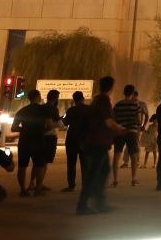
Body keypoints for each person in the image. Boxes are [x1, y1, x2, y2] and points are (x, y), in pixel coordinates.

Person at [77, 76, 130, 215]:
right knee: (94, 173)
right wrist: (121, 130)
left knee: (104, 170)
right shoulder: (104, 101)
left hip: (96, 142)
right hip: (98, 142)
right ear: (111, 87)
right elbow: (108, 122)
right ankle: (84, 205)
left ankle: (99, 201)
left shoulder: (95, 100)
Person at [11, 90, 51, 196]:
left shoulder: (22, 111)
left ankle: (23, 190)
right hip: (38, 140)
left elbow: (14, 128)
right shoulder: (43, 110)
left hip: (24, 141)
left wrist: (25, 129)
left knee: (22, 166)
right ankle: (38, 189)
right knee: (39, 165)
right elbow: (49, 125)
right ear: (38, 97)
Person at [111, 84, 143, 187]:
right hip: (132, 132)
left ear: (124, 93)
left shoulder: (118, 105)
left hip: (120, 132)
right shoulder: (136, 105)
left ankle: (115, 180)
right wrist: (138, 124)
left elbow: (114, 118)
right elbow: (138, 120)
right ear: (133, 93)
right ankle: (134, 179)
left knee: (116, 156)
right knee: (133, 156)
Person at [61, 90, 89, 192]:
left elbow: (65, 123)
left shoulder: (70, 110)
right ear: (83, 99)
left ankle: (71, 185)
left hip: (72, 139)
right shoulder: (89, 109)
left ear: (74, 100)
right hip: (85, 140)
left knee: (71, 163)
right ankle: (86, 186)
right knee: (85, 164)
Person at [38, 88, 61, 192]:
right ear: (56, 98)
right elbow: (50, 125)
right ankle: (39, 186)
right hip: (49, 137)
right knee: (44, 162)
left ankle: (32, 184)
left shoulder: (41, 107)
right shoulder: (52, 109)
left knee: (38, 162)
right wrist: (59, 123)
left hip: (39, 136)